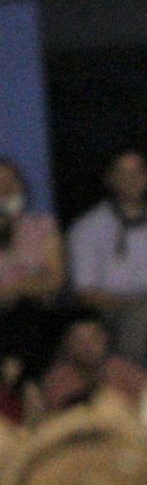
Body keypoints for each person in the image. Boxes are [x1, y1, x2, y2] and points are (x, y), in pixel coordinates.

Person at [67, 148, 147, 362]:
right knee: (140, 318)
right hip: (110, 309)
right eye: (122, 174)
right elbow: (85, 293)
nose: (131, 180)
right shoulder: (87, 227)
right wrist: (137, 306)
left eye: (138, 173)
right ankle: (134, 380)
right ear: (110, 179)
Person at [0, 157, 65, 373]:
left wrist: (12, 289)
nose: (5, 189)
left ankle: (22, 378)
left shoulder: (43, 226)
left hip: (34, 312)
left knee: (26, 312)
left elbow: (54, 280)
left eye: (10, 182)